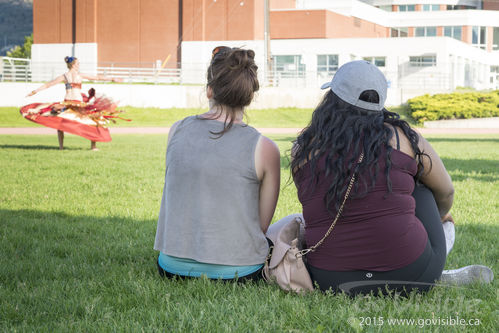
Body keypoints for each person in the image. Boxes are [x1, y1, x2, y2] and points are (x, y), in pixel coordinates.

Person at [290, 60, 493, 294]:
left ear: (331, 99)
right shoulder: (403, 139)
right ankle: (433, 264)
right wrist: (437, 220)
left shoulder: (304, 148)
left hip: (329, 280)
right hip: (413, 274)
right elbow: (447, 191)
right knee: (421, 187)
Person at [154, 46, 281, 281]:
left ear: (210, 91)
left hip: (170, 267)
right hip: (239, 271)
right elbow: (261, 227)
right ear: (250, 95)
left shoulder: (176, 130)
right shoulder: (265, 148)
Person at [21, 56, 124, 150]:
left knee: (92, 121)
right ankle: (61, 147)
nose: (79, 65)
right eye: (78, 64)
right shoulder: (65, 76)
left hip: (79, 104)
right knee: (59, 123)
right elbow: (49, 84)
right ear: (73, 65)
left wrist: (112, 78)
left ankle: (93, 146)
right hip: (67, 103)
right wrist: (35, 91)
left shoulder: (78, 75)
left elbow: (97, 77)